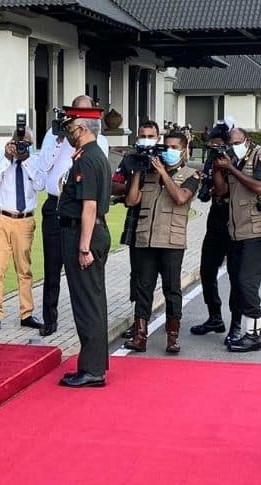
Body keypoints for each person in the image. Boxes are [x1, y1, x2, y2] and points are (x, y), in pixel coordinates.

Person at [35, 94, 109, 337]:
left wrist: (84, 246)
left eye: (73, 120)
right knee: (52, 266)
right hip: (57, 207)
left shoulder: (92, 151)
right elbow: (42, 166)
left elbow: (90, 200)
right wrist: (58, 141)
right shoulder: (57, 137)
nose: (68, 124)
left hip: (81, 218)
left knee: (86, 288)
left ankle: (92, 362)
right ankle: (50, 317)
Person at [122, 131, 199, 353]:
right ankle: (140, 335)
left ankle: (172, 337)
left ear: (184, 150)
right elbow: (131, 200)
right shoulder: (149, 173)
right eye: (166, 146)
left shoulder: (191, 174)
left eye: (175, 147)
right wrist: (138, 170)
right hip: (146, 239)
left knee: (172, 289)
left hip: (171, 242)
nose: (169, 150)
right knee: (143, 288)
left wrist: (164, 173)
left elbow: (181, 197)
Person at [56, 106, 111, 388]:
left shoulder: (88, 160)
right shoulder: (92, 156)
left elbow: (89, 206)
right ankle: (95, 364)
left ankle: (91, 369)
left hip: (84, 233)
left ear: (84, 129)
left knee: (87, 304)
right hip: (87, 232)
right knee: (93, 301)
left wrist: (84, 247)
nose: (69, 133)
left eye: (72, 127)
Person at [211, 127, 261, 352]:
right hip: (237, 231)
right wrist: (217, 168)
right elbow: (220, 191)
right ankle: (257, 332)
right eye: (229, 144)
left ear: (246, 140)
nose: (232, 147)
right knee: (239, 282)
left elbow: (259, 186)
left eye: (236, 143)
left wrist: (230, 167)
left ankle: (253, 334)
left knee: (247, 281)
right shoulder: (232, 161)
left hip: (258, 230)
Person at [0, 126, 45, 332]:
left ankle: (26, 313)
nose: (21, 145)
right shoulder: (1, 157)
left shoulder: (35, 160)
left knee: (24, 269)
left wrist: (25, 160)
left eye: (26, 141)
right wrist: (7, 159)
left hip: (24, 220)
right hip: (0, 217)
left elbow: (40, 184)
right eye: (19, 141)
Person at [111, 120, 162, 340]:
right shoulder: (130, 158)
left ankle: (171, 327)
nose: (146, 139)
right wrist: (134, 183)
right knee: (138, 275)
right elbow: (115, 184)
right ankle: (139, 320)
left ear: (158, 137)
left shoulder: (164, 157)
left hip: (161, 224)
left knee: (163, 278)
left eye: (151, 136)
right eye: (143, 135)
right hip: (136, 220)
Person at [191, 122, 233, 337]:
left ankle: (237, 324)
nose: (214, 150)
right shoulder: (210, 160)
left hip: (233, 219)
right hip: (215, 217)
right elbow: (206, 193)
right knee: (207, 270)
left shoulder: (234, 160)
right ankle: (214, 317)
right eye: (211, 147)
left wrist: (219, 168)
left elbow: (225, 190)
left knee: (236, 274)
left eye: (217, 145)